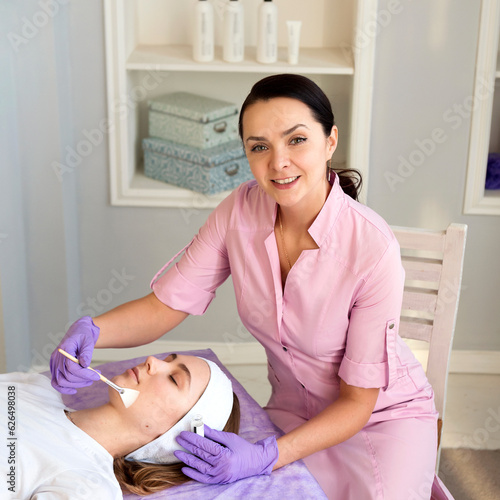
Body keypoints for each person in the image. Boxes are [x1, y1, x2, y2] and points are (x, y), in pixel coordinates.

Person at [49, 74, 452, 500]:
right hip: (290, 414)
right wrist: (93, 330)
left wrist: (264, 455)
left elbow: (357, 402)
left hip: (381, 419)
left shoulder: (372, 248)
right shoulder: (238, 212)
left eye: (296, 140)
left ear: (330, 141)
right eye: (259, 146)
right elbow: (165, 306)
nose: (278, 162)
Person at [2, 352, 240, 498]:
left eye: (173, 378)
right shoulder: (35, 387)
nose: (152, 361)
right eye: (168, 359)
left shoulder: (89, 487)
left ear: (177, 435)